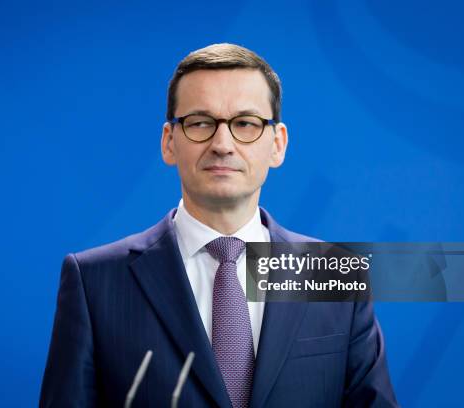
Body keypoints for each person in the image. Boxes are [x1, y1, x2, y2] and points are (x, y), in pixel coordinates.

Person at [39, 43, 398, 408]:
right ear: (168, 142)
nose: (222, 144)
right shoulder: (95, 281)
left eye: (245, 123)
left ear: (278, 144)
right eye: (200, 123)